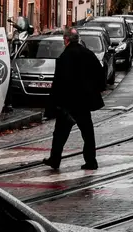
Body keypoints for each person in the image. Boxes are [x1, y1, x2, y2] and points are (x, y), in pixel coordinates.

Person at [43, 27, 105, 170]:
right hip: (84, 102)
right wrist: (95, 90)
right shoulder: (88, 54)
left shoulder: (65, 57)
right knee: (88, 132)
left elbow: (59, 82)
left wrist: (55, 104)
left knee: (60, 133)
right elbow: (100, 74)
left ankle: (55, 159)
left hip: (68, 103)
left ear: (66, 40)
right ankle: (91, 161)